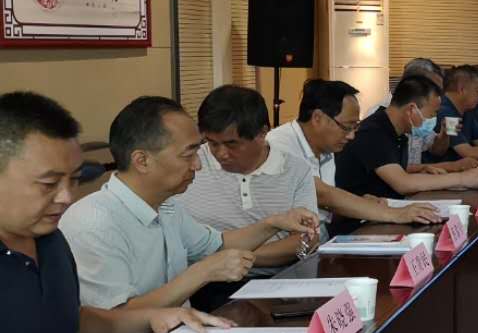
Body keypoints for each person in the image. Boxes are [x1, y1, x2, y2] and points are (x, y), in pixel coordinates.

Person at [0, 92, 230, 333]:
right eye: (48, 184)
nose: (66, 197)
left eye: (74, 180)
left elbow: (69, 324)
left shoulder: (49, 240)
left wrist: (153, 318)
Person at [60, 96, 319, 310]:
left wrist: (274, 223)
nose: (198, 164)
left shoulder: (168, 207)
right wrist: (202, 272)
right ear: (142, 161)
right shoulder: (94, 222)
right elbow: (114, 320)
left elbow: (218, 245)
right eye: (188, 155)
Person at [183, 85, 320, 280]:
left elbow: (306, 238)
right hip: (203, 282)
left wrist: (232, 258)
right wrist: (215, 263)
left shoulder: (295, 169)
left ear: (262, 133)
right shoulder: (189, 165)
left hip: (275, 279)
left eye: (232, 144)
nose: (221, 154)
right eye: (213, 143)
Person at [269, 79, 444, 230]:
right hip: (291, 248)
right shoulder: (280, 143)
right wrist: (395, 214)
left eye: (355, 127)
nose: (352, 135)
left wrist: (362, 203)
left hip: (318, 239)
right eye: (347, 127)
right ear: (317, 118)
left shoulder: (326, 147)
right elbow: (322, 194)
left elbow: (325, 208)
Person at [333, 75, 478, 232]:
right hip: (360, 224)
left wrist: (422, 169)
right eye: (432, 114)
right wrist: (462, 179)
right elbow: (403, 184)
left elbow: (393, 168)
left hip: (386, 212)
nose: (433, 120)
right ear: (412, 109)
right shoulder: (373, 132)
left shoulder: (399, 131)